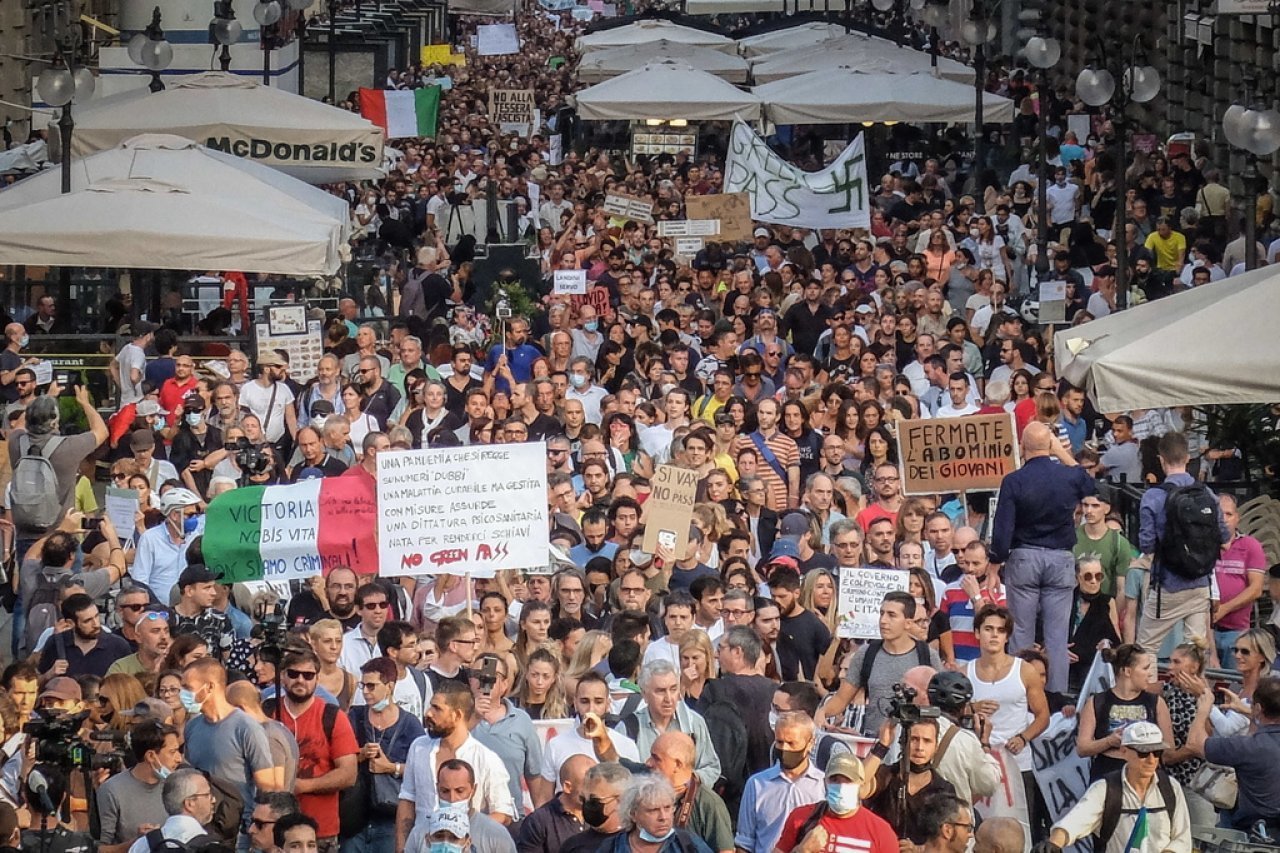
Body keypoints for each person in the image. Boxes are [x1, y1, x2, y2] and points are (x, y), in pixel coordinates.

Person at [989, 422, 1096, 693]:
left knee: (1021, 634)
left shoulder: (1014, 480)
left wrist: (994, 564)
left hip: (1024, 557)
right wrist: (1063, 454)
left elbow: (1002, 529)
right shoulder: (1067, 476)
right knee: (1057, 638)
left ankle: (1020, 695)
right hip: (1060, 558)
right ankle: (1057, 699)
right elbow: (1091, 486)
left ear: (1022, 447)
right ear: (1050, 446)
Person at [1136, 432, 1228, 653]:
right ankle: (1193, 687)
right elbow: (1224, 536)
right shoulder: (1206, 493)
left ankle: (1145, 687)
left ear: (1161, 459)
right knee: (1195, 648)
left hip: (1168, 585)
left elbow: (1146, 544)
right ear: (1187, 457)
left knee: (1145, 648)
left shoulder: (1153, 497)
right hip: (1200, 583)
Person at [396, 682, 515, 850]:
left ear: (457, 715)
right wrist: (401, 848)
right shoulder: (419, 747)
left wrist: (463, 833)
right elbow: (407, 800)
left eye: (437, 708)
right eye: (430, 706)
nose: (428, 713)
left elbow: (503, 813)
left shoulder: (486, 758)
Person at [1042, 721, 1190, 853]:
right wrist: (1053, 844)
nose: (1151, 760)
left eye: (1157, 752)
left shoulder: (1170, 787)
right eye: (1143, 753)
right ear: (1124, 751)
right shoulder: (1106, 788)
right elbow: (1075, 822)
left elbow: (1182, 838)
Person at [821, 592, 943, 736]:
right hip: (874, 740)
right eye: (881, 613)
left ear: (908, 623)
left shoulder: (927, 656)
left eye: (891, 615)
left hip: (914, 741)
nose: (883, 620)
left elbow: (940, 706)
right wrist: (821, 713)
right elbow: (841, 698)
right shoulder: (866, 653)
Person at [181, 658, 279, 833]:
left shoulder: (246, 727)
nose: (183, 694)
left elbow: (267, 786)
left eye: (188, 688)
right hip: (200, 828)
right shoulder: (192, 727)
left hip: (238, 828)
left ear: (209, 687)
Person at [344, 657, 425, 853]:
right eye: (363, 686)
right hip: (356, 817)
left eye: (371, 686)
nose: (365, 692)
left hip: (391, 817)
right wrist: (360, 756)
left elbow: (423, 769)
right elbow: (338, 761)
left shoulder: (409, 724)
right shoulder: (354, 716)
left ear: (389, 686)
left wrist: (391, 767)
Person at [1187, 674, 1280, 835]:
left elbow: (1194, 744)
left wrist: (1204, 708)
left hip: (1254, 835)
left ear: (1258, 708)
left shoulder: (1247, 747)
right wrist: (1247, 710)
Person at [1075, 644, 1173, 783]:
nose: (1149, 673)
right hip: (1107, 773)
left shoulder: (1156, 702)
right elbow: (1082, 748)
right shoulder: (1097, 701)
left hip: (1145, 774)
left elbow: (1169, 748)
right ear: (1127, 671)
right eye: (1145, 668)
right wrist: (1109, 741)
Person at [615, 660, 720, 789]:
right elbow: (618, 775)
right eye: (660, 691)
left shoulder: (694, 723)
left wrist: (689, 782)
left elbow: (712, 767)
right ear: (644, 694)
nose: (668, 698)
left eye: (673, 689)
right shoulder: (628, 728)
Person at [735, 710, 826, 853]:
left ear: (810, 743)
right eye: (779, 742)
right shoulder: (756, 784)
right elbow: (744, 842)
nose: (784, 749)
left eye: (791, 743)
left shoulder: (824, 785)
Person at [772, 753, 898, 853]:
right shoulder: (802, 817)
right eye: (835, 780)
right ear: (825, 782)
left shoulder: (881, 831)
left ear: (861, 784)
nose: (841, 787)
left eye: (848, 781)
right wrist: (803, 850)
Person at [96, 719, 182, 849]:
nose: (179, 758)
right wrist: (140, 842)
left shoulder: (178, 785)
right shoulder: (112, 790)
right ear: (151, 756)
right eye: (172, 752)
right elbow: (101, 848)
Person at [644, 732, 734, 853]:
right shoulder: (645, 793)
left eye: (656, 758)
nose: (648, 763)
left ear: (677, 764)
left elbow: (725, 851)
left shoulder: (709, 803)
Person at [515, 753, 594, 853]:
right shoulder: (538, 822)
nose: (595, 791)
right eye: (588, 786)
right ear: (568, 787)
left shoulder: (604, 814)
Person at [124, 769, 217, 853]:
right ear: (189, 804)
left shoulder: (142, 845)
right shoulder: (211, 847)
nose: (213, 800)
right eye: (207, 795)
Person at [562, 762, 633, 853]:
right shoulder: (573, 847)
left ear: (621, 800)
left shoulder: (638, 845)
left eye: (594, 800)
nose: (587, 804)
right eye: (583, 799)